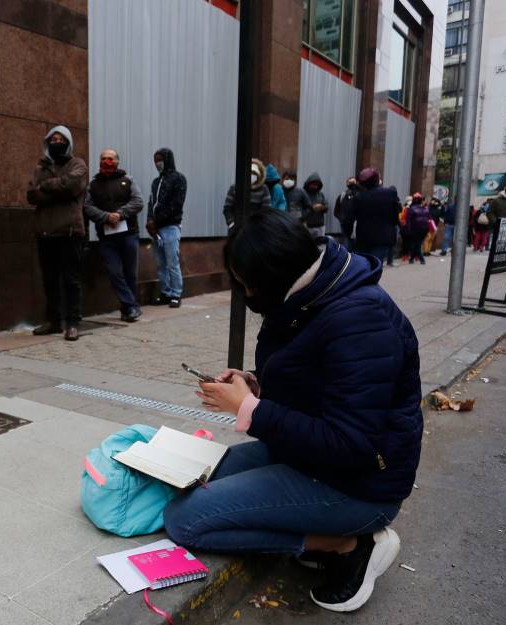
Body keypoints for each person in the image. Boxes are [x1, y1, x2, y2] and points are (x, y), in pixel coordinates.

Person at [166, 210, 421, 614]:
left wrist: (250, 408)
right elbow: (319, 385)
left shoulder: (359, 318)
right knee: (200, 475)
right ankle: (321, 531)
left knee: (186, 520)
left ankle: (349, 544)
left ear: (272, 276)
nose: (246, 294)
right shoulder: (308, 297)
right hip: (309, 460)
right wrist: (256, 385)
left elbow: (350, 443)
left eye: (247, 284)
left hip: (358, 486)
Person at [27, 126, 89, 341]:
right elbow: (32, 195)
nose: (56, 142)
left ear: (68, 142)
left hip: (69, 230)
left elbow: (72, 187)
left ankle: (73, 323)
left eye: (60, 138)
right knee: (49, 279)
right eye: (52, 138)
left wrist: (45, 186)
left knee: (71, 280)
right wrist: (55, 190)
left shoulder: (78, 164)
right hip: (45, 231)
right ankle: (54, 321)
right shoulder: (40, 167)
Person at [84, 149, 144, 322]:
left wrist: (120, 214)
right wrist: (106, 217)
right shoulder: (93, 185)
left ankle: (128, 309)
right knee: (114, 272)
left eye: (110, 159)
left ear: (117, 161)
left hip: (129, 234)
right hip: (107, 238)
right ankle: (132, 306)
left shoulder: (127, 180)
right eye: (103, 158)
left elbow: (138, 202)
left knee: (130, 273)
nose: (106, 162)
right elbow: (87, 207)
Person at [146, 147, 187, 308]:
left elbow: (176, 205)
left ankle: (176, 294)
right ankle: (165, 292)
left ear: (167, 160)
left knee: (172, 262)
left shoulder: (179, 179)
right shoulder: (156, 182)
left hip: (170, 227)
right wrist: (150, 220)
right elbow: (151, 202)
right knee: (160, 263)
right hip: (156, 229)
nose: (157, 163)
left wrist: (156, 221)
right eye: (155, 160)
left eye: (160, 160)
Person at [348, 168, 400, 266]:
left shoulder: (359, 198)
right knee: (375, 266)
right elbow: (395, 216)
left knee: (364, 266)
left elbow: (349, 218)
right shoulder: (390, 194)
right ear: (377, 180)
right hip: (383, 238)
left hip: (364, 238)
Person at [223, 158, 273, 229]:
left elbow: (266, 210)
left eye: (254, 174)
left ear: (258, 175)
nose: (251, 176)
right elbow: (227, 208)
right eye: (249, 173)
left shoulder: (264, 189)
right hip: (237, 227)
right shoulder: (234, 188)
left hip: (256, 228)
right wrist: (232, 224)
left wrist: (260, 225)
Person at [403, 193, 431, 265]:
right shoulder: (425, 209)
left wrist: (408, 230)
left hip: (415, 230)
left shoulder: (411, 209)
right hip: (424, 230)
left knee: (417, 244)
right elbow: (428, 220)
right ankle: (412, 258)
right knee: (417, 244)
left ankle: (422, 259)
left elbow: (408, 221)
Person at [334, 177, 360, 251]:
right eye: (350, 183)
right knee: (347, 242)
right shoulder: (342, 195)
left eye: (353, 183)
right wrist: (341, 218)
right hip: (345, 224)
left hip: (356, 224)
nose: (352, 185)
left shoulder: (360, 194)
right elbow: (336, 211)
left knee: (356, 243)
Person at [300, 173, 328, 238]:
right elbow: (300, 209)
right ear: (308, 184)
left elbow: (326, 207)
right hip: (307, 226)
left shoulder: (321, 195)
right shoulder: (303, 194)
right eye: (313, 184)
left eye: (316, 185)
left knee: (320, 246)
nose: (315, 186)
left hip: (320, 226)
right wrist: (312, 209)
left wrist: (322, 207)